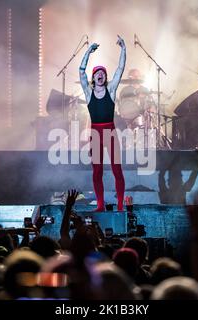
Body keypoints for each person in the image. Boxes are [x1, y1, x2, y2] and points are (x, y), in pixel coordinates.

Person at [79, 35, 126, 212]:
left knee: (117, 170)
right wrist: (88, 52)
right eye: (97, 73)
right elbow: (81, 71)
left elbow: (120, 68)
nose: (100, 74)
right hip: (96, 134)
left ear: (105, 77)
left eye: (103, 73)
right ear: (94, 77)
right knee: (97, 172)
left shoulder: (111, 90)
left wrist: (123, 48)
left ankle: (120, 205)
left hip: (110, 132)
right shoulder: (89, 93)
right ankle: (100, 206)